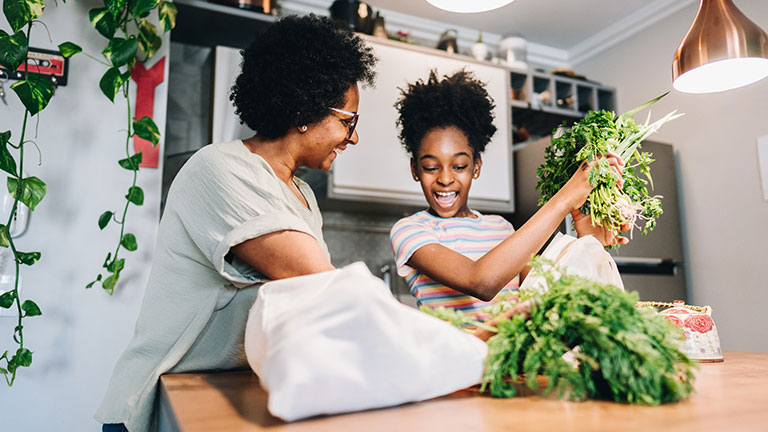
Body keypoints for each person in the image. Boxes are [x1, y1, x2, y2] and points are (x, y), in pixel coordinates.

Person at [95, 15, 377, 431]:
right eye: (347, 121)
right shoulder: (219, 168)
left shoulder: (303, 197)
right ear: (306, 111)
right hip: (157, 401)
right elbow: (320, 284)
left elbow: (305, 308)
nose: (353, 137)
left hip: (222, 388)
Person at [390, 70, 628, 324]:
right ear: (415, 169)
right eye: (430, 167)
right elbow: (480, 282)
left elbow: (540, 295)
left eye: (459, 166)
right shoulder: (410, 230)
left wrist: (588, 241)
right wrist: (564, 199)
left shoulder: (501, 229)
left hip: (508, 360)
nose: (445, 179)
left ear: (476, 166)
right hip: (456, 361)